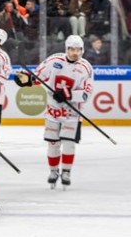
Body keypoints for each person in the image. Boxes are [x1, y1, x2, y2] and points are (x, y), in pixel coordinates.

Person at [15, 35, 94, 189]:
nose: (74, 53)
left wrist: (68, 95)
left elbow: (86, 93)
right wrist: (27, 81)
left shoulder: (86, 68)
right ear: (66, 49)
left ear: (82, 50)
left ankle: (66, 172)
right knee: (53, 143)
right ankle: (53, 171)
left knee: (69, 144)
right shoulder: (54, 60)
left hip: (72, 112)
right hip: (53, 111)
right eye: (71, 49)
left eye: (78, 50)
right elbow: (39, 77)